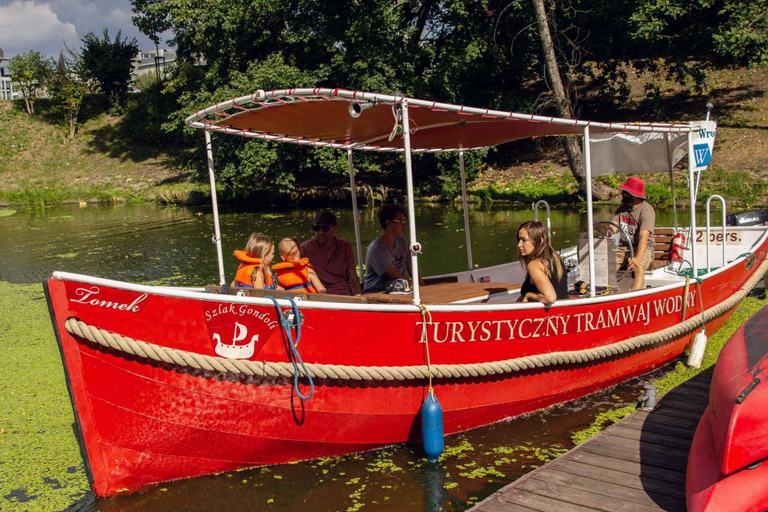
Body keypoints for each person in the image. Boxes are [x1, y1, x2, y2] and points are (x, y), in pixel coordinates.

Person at [300, 211, 361, 296]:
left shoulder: (345, 246)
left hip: (344, 295)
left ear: (335, 228)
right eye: (316, 228)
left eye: (325, 228)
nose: (320, 232)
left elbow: (352, 277)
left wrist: (358, 298)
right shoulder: (305, 248)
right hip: (319, 297)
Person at [611, 176, 655, 291]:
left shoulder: (646, 211)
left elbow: (644, 237)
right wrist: (596, 228)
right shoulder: (622, 209)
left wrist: (637, 259)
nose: (623, 194)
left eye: (626, 193)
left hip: (643, 248)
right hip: (624, 248)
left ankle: (635, 297)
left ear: (635, 195)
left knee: (638, 268)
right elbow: (612, 228)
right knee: (607, 264)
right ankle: (606, 295)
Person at [363, 204, 418, 294]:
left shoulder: (401, 241)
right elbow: (394, 276)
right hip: (376, 293)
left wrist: (422, 286)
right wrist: (414, 285)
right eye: (400, 221)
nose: (404, 225)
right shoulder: (376, 249)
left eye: (404, 221)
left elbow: (411, 267)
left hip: (398, 290)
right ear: (388, 223)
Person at [516, 220, 568, 306]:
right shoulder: (556, 258)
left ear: (540, 241)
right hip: (563, 311)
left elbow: (550, 298)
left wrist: (529, 295)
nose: (519, 244)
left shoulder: (534, 265)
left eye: (524, 240)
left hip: (540, 316)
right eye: (519, 240)